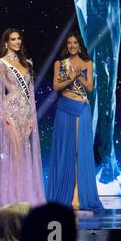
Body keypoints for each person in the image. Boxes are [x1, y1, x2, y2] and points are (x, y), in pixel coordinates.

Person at [0, 28, 45, 217]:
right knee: (16, 155)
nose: (17, 42)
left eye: (19, 38)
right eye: (13, 39)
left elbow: (31, 95)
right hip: (10, 113)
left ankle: (23, 195)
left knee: (23, 155)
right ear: (6, 43)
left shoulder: (27, 63)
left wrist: (31, 119)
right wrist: (2, 114)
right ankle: (13, 198)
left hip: (25, 115)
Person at [46, 31, 103, 210]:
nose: (72, 46)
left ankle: (79, 193)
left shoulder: (87, 63)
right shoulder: (60, 64)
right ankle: (65, 192)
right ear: (67, 46)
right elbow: (56, 87)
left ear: (80, 46)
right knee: (66, 151)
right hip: (64, 108)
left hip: (81, 109)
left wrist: (79, 76)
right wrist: (70, 77)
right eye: (69, 43)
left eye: (75, 43)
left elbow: (90, 88)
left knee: (79, 151)